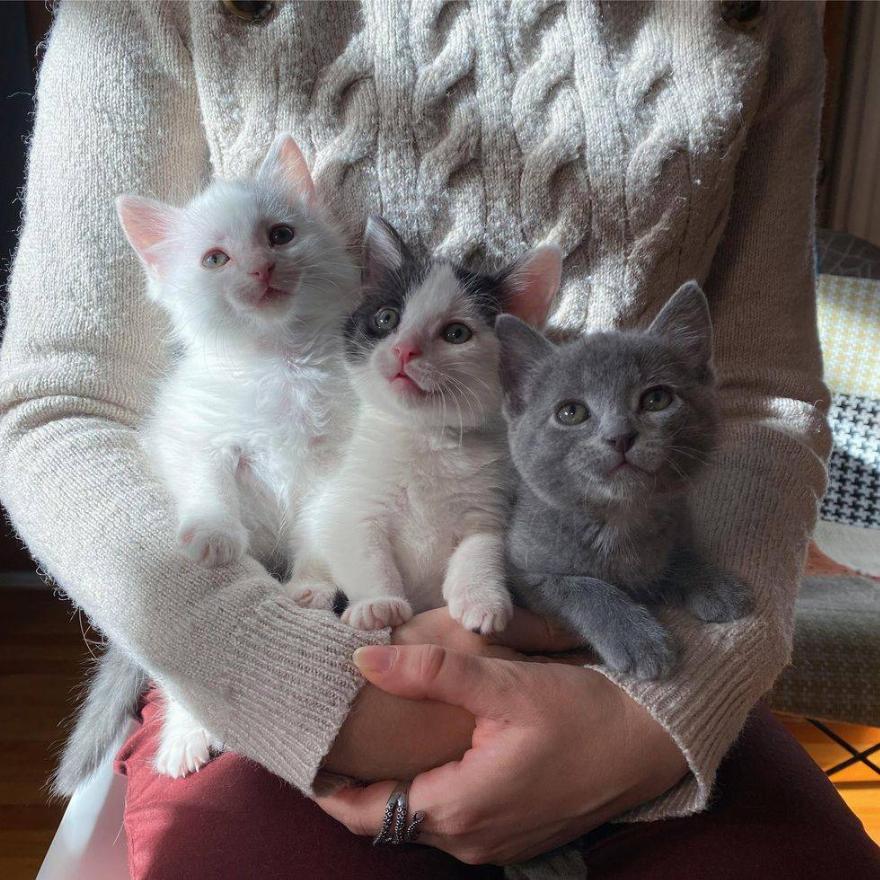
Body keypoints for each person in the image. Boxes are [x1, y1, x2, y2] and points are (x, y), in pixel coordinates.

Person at [1, 2, 878, 877]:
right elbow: (55, 402)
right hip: (264, 645)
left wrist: (666, 713)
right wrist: (314, 693)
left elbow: (764, 398)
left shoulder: (762, 17)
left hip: (639, 641)